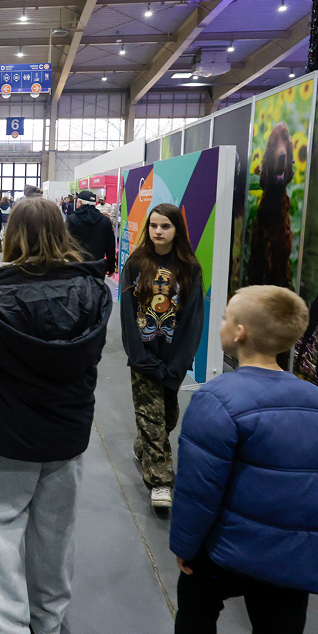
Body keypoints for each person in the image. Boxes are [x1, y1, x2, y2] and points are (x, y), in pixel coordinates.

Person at [0, 198, 113, 634]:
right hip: (67, 432)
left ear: (11, 235)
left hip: (4, 432)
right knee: (55, 533)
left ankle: (7, 632)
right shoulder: (94, 291)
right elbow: (91, 358)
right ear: (62, 233)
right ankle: (47, 622)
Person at [170, 286, 318, 634]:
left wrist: (185, 546)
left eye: (226, 318)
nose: (222, 323)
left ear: (239, 332)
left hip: (222, 556)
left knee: (195, 618)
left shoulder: (216, 399)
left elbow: (198, 489)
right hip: (293, 566)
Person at [120, 203, 204, 509]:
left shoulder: (190, 268)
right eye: (153, 225)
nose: (158, 231)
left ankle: (143, 446)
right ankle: (161, 483)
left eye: (165, 226)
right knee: (152, 418)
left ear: (176, 230)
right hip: (144, 358)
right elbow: (127, 315)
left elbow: (193, 318)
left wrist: (180, 362)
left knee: (167, 417)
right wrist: (137, 355)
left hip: (173, 359)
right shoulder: (135, 264)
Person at [66, 189, 117, 267]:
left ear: (80, 202)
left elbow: (66, 243)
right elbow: (110, 245)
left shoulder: (71, 219)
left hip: (76, 264)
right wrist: (111, 266)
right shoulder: (105, 220)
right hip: (97, 265)